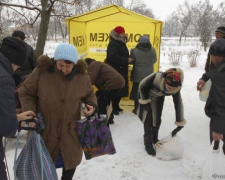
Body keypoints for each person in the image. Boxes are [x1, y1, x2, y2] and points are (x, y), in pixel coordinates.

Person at [19, 43, 97, 180]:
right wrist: (30, 112)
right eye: (60, 65)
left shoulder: (81, 76)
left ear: (74, 64)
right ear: (55, 61)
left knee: (70, 164)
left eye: (68, 66)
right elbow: (25, 92)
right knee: (45, 167)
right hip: (45, 131)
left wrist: (91, 105)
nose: (64, 69)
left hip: (70, 131)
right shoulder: (42, 72)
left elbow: (89, 93)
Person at [0, 37, 36, 180]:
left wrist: (17, 116)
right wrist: (15, 122)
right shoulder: (4, 79)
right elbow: (8, 128)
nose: (17, 70)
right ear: (14, 60)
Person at [137, 68, 186, 156]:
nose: (170, 90)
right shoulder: (156, 77)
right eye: (169, 87)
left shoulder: (176, 88)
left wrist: (180, 121)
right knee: (147, 119)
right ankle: (147, 144)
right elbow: (142, 86)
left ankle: (154, 138)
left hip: (158, 98)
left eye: (173, 88)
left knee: (157, 119)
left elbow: (178, 103)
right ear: (165, 82)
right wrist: (145, 101)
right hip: (145, 94)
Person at [85, 58, 125, 125]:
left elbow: (90, 81)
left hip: (112, 84)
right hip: (119, 83)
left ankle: (102, 121)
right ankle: (110, 118)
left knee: (102, 102)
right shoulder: (99, 64)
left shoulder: (93, 65)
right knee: (106, 100)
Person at [105, 26, 134, 115]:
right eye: (122, 33)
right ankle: (112, 107)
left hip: (121, 69)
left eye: (124, 32)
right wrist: (126, 60)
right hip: (115, 70)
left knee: (120, 88)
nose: (124, 34)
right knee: (115, 89)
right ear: (117, 34)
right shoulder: (113, 43)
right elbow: (113, 57)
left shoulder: (121, 42)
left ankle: (116, 106)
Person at [204, 38, 225, 152]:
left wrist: (217, 129)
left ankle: (218, 170)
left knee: (218, 153)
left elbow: (221, 103)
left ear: (217, 56)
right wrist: (204, 77)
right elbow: (215, 71)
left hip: (222, 123)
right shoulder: (220, 71)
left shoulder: (220, 77)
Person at [129, 35, 157, 114]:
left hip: (138, 74)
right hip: (149, 74)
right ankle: (147, 107)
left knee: (137, 91)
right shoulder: (153, 50)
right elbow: (154, 60)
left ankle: (136, 109)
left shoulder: (134, 51)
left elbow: (131, 61)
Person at [12, 30, 37, 113]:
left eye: (18, 39)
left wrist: (31, 78)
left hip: (26, 78)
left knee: (24, 96)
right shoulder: (9, 49)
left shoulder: (28, 49)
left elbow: (35, 64)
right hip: (13, 78)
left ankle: (25, 112)